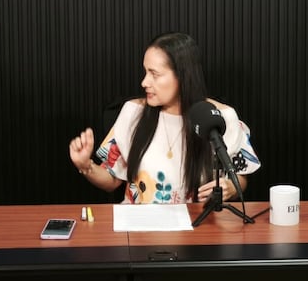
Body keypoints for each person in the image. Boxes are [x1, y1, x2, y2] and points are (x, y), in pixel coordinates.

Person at [69, 32, 261, 204]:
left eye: (155, 74)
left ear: (182, 77)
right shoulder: (132, 112)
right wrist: (86, 166)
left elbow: (241, 176)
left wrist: (231, 187)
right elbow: (111, 181)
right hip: (139, 226)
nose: (144, 82)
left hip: (198, 225)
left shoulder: (221, 117)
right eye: (145, 72)